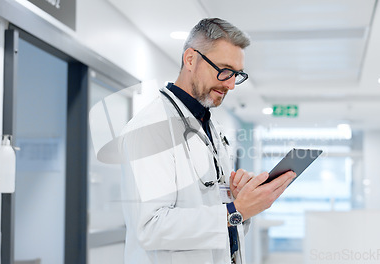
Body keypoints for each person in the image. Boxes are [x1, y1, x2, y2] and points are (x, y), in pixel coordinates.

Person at [119, 18, 296, 264]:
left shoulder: (209, 126)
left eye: (237, 74)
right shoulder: (151, 128)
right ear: (190, 59)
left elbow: (219, 220)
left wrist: (236, 201)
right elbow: (150, 228)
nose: (231, 84)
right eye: (224, 70)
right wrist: (236, 210)